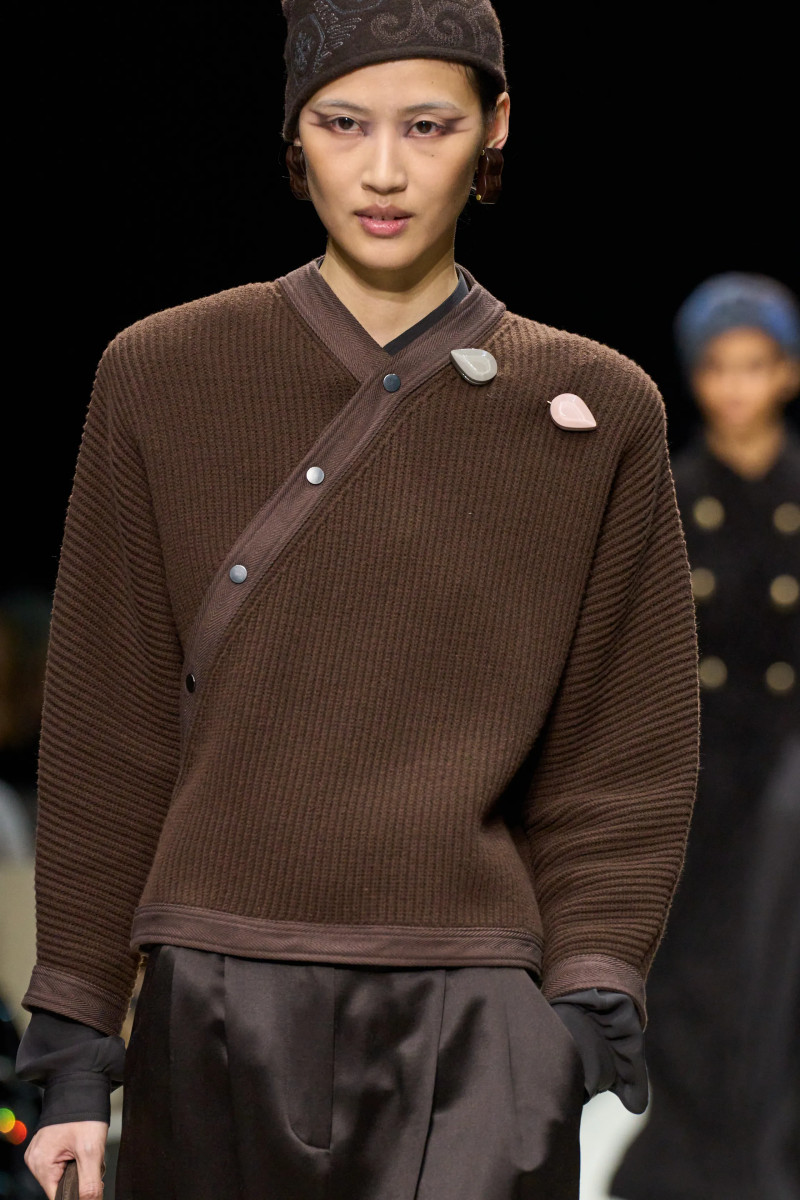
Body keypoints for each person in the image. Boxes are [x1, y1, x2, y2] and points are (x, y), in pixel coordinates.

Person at [16, 3, 699, 1198]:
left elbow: (621, 745)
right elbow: (106, 726)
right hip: (212, 985)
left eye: (426, 126)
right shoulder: (161, 374)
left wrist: (584, 1011)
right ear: (294, 134)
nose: (383, 170)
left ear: (493, 128)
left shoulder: (596, 409)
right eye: (343, 124)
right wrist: (74, 1040)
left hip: (478, 1006)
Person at [611, 273, 800, 1200]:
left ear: (787, 373)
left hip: (791, 774)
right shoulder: (670, 496)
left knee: (781, 972)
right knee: (689, 967)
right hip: (696, 774)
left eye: (754, 365)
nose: (735, 386)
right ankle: (691, 1166)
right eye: (718, 367)